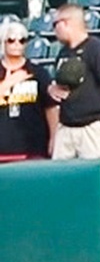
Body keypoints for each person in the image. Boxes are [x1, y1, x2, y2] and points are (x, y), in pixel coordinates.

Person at [48, 4, 100, 160]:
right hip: (67, 127)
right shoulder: (63, 53)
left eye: (55, 24)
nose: (54, 30)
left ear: (66, 23)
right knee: (60, 180)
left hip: (93, 127)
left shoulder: (96, 49)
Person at [0, 18, 57, 160]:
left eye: (22, 40)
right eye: (11, 40)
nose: (17, 44)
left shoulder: (38, 73)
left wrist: (54, 138)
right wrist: (9, 83)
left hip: (33, 149)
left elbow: (51, 108)